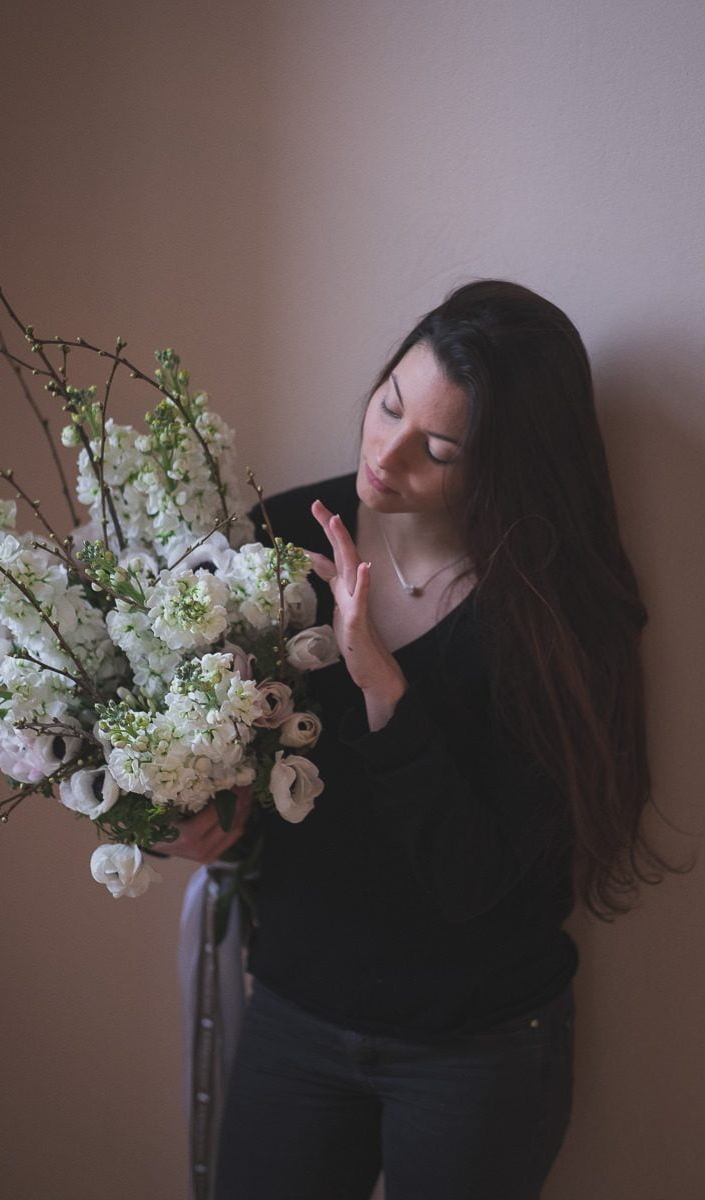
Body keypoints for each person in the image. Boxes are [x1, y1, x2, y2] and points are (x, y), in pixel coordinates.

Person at [169, 280, 671, 1199]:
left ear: (507, 467)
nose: (384, 454)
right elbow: (254, 773)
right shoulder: (279, 541)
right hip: (295, 1009)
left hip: (477, 1048)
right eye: (390, 404)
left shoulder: (557, 615)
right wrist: (203, 816)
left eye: (437, 450)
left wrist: (384, 686)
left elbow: (478, 880)